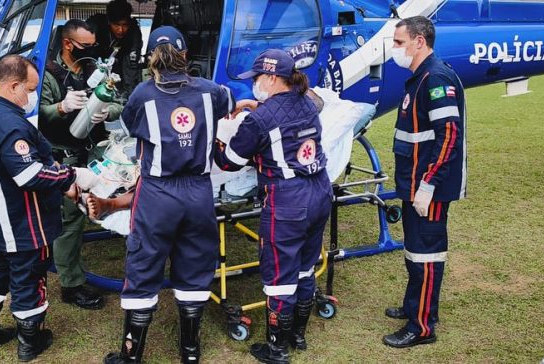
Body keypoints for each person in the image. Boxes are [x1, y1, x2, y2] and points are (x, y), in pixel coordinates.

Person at [103, 26, 233, 364]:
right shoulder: (211, 92)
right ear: (186, 55)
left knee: (144, 263)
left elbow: (132, 128)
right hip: (199, 190)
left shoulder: (142, 95)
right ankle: (190, 351)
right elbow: (232, 102)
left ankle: (132, 354)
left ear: (151, 58)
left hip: (158, 192)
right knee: (196, 261)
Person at [0, 54, 95, 361]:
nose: (30, 98)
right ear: (14, 85)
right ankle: (31, 339)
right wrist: (70, 175)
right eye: (29, 91)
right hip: (20, 220)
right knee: (28, 277)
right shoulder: (8, 122)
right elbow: (29, 174)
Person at [214, 49, 333, 364]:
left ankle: (277, 350)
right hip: (320, 190)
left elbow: (229, 163)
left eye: (256, 78)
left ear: (270, 77)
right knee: (305, 266)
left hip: (287, 200)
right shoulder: (308, 101)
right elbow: (287, 116)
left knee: (279, 276)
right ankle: (297, 335)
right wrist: (260, 108)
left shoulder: (260, 119)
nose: (254, 83)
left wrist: (219, 137)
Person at [383, 16, 467, 348]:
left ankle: (422, 327)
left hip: (427, 188)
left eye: (399, 42)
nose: (395, 49)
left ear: (420, 41)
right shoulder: (419, 78)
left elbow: (449, 137)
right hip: (413, 183)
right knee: (413, 251)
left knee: (426, 254)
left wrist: (429, 185)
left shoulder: (436, 79)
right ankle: (413, 307)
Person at [39, 19, 122, 310]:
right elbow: (36, 115)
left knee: (110, 200)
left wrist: (107, 110)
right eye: (85, 46)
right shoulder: (47, 74)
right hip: (65, 155)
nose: (92, 51)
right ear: (67, 43)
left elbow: (118, 101)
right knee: (70, 220)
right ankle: (71, 284)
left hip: (95, 153)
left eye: (93, 45)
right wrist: (61, 107)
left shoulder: (95, 70)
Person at [86, 0, 143, 99]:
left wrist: (129, 98)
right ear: (109, 21)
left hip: (122, 64)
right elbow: (85, 54)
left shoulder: (133, 33)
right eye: (116, 25)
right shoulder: (95, 26)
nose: (120, 30)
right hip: (96, 61)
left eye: (125, 25)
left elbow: (131, 67)